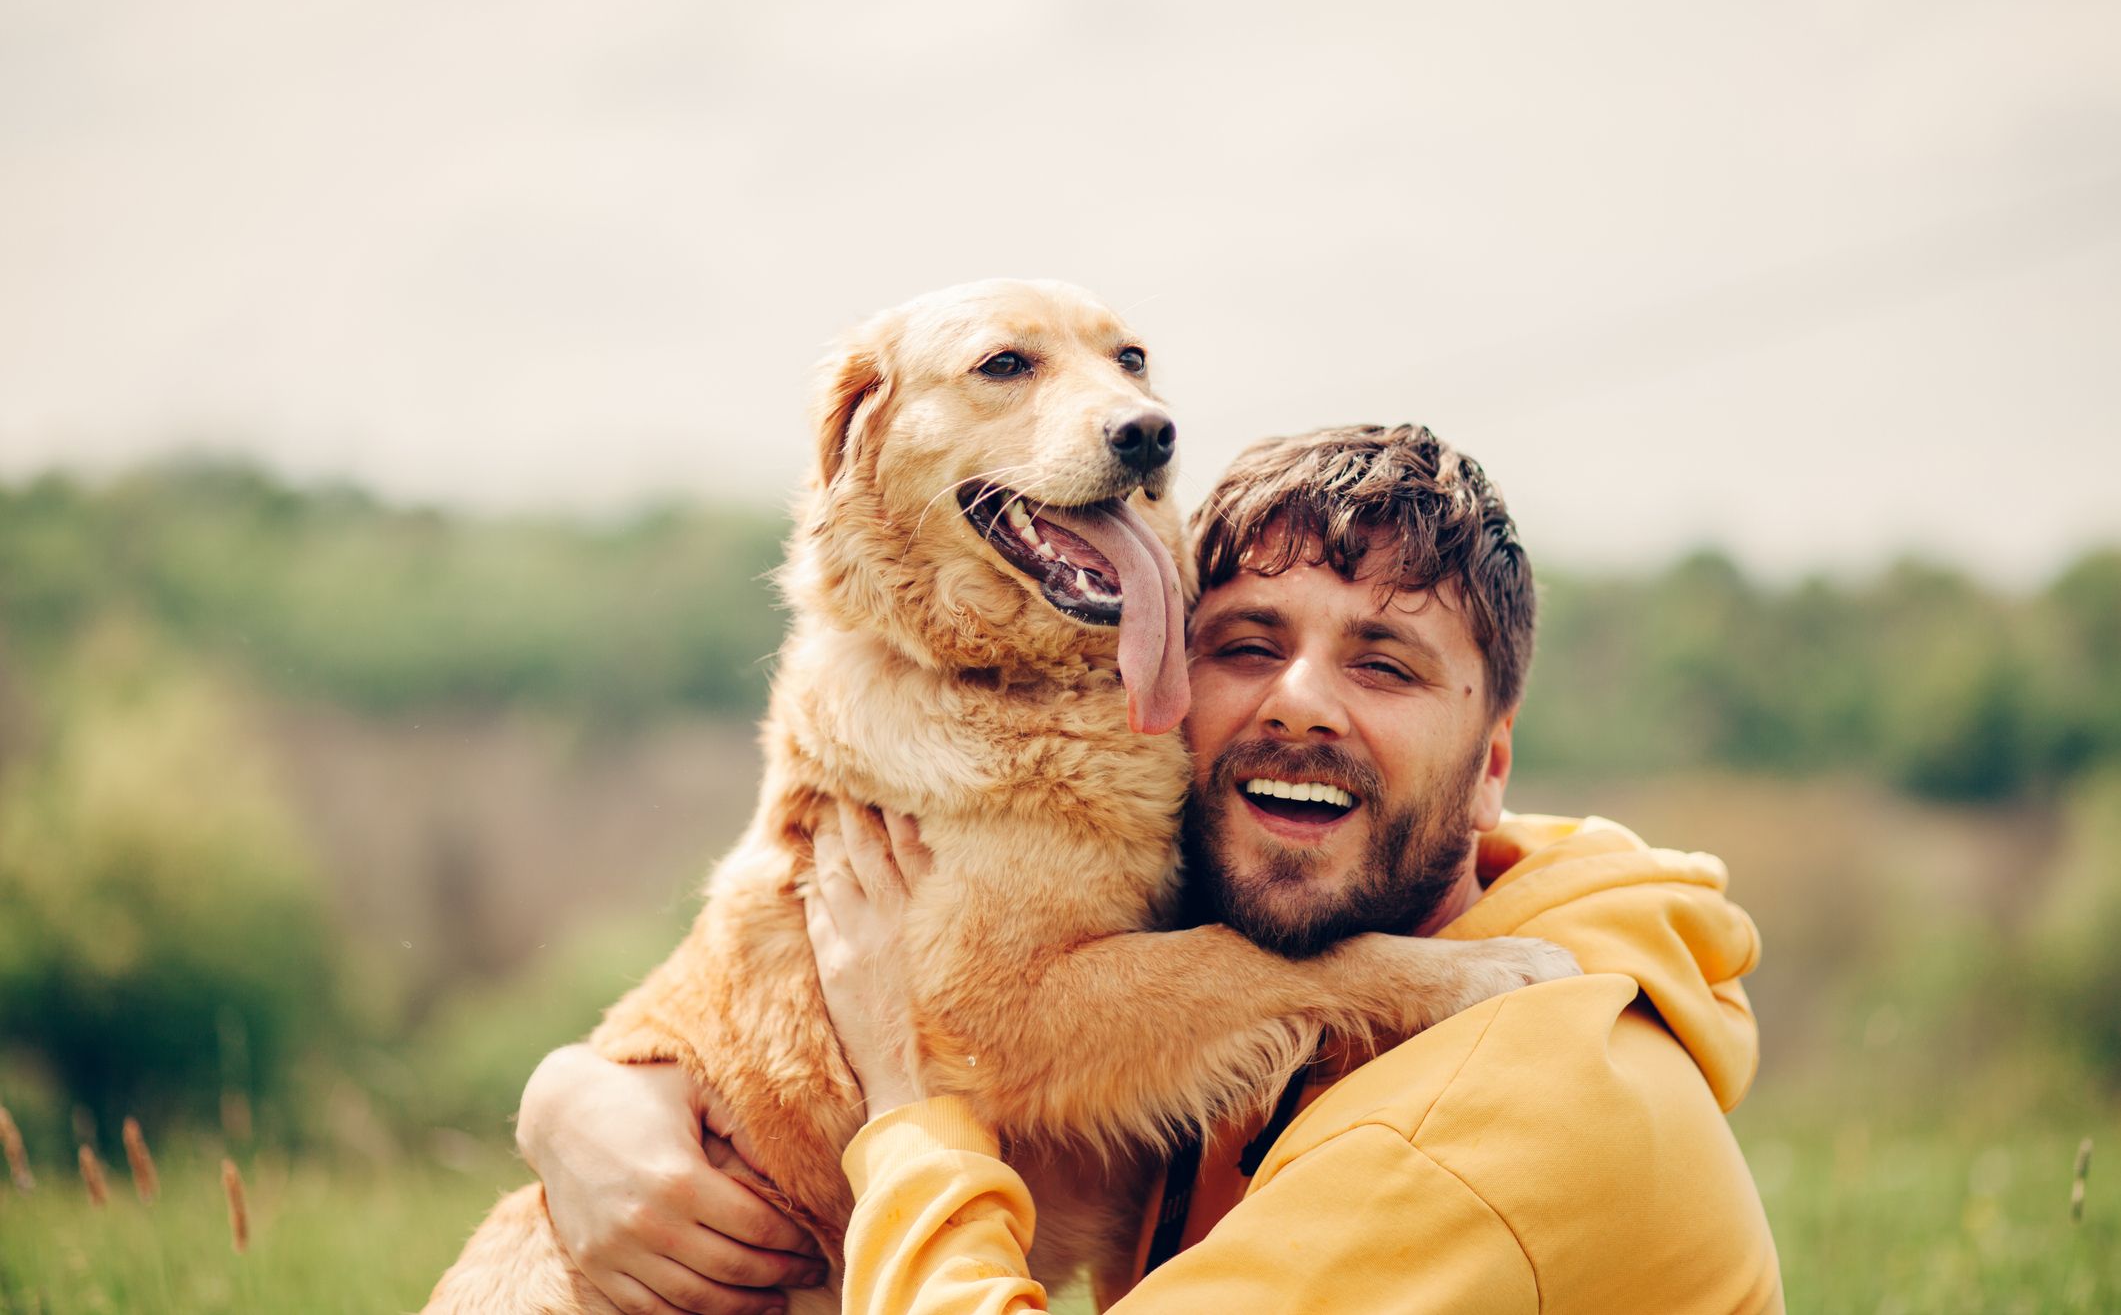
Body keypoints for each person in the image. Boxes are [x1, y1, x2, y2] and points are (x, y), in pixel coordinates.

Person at [516, 425, 1783, 1314]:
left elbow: (982, 1035)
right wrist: (577, 1099)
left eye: (1384, 664)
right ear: (1152, 666)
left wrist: (912, 1105)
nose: (1301, 704)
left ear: (1493, 759)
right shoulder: (1271, 918)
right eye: (1246, 642)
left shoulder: (1479, 1127)